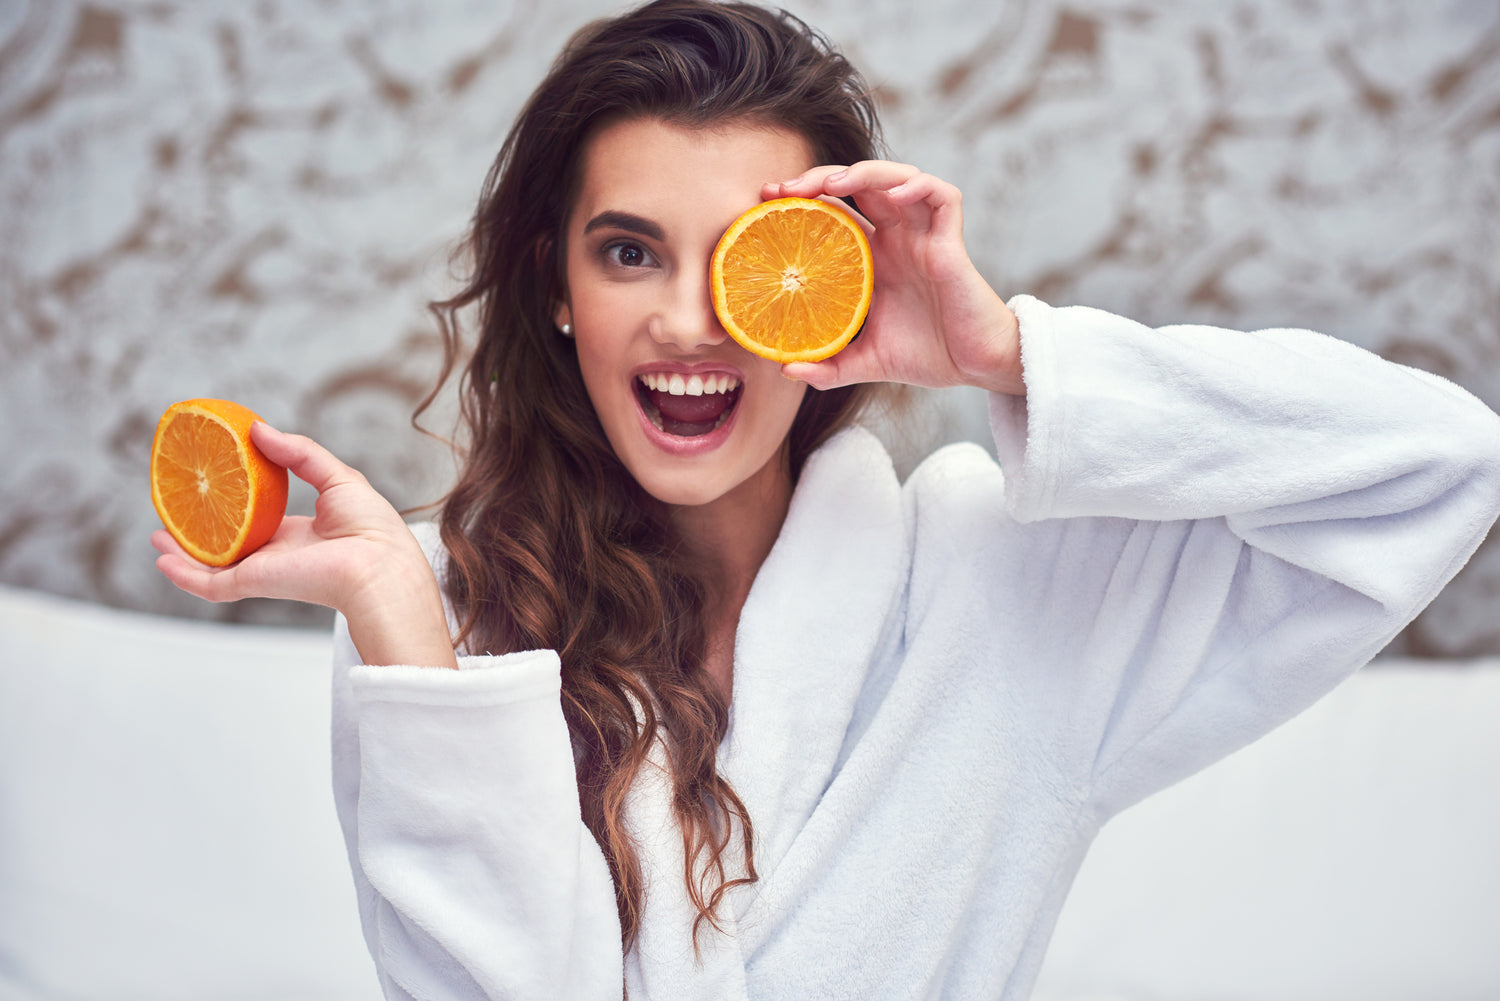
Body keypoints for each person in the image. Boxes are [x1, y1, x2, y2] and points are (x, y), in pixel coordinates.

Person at [152, 1, 1500, 998]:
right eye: (629, 251)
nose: (687, 323)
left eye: (745, 258)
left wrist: (1007, 352)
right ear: (556, 289)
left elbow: (1439, 469)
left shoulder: (999, 587)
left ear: (829, 284)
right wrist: (399, 615)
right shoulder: (439, 621)